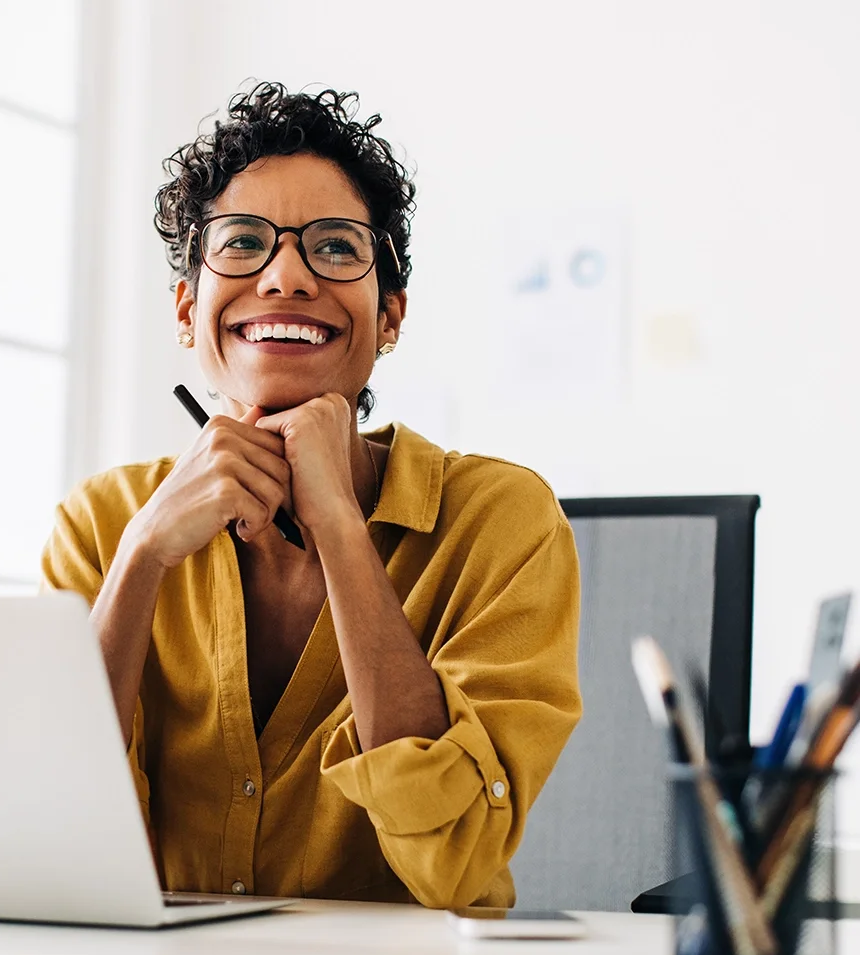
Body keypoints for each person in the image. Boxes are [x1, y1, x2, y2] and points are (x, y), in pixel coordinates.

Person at [42, 83, 582, 908]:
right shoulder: (103, 525)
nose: (286, 277)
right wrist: (145, 554)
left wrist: (337, 524)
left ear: (390, 316)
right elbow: (47, 833)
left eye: (334, 248)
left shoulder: (502, 520)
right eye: (243, 243)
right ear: (188, 309)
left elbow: (457, 859)